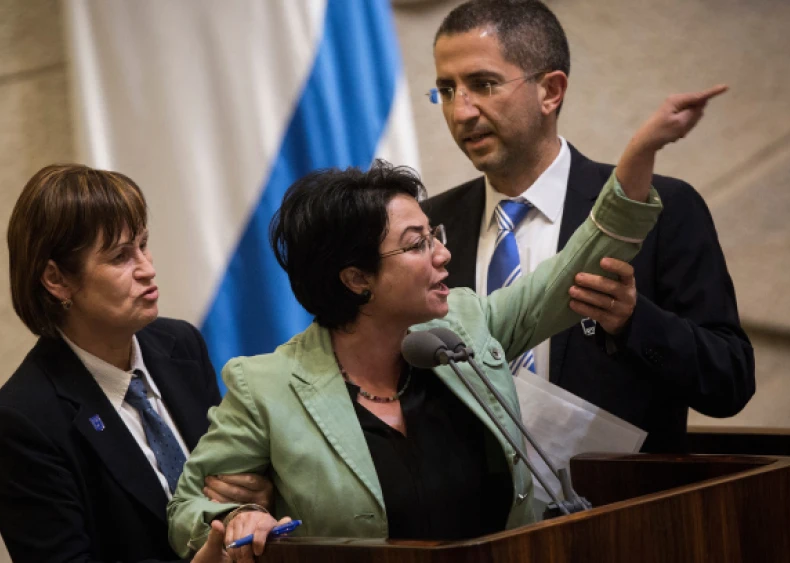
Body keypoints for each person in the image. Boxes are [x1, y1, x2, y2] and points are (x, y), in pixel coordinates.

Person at [167, 86, 725, 562]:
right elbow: (189, 507)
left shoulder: (464, 323)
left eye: (434, 235)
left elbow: (572, 272)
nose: (441, 255)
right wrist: (237, 517)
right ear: (356, 278)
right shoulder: (265, 385)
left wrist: (639, 155)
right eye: (416, 244)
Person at [422, 0, 755, 453]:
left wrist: (635, 323)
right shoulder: (428, 228)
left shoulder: (661, 209)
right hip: (480, 519)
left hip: (619, 512)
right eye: (446, 90)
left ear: (550, 91)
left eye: (482, 85)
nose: (461, 112)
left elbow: (730, 382)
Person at [0, 164, 272, 563]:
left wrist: (253, 498)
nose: (147, 268)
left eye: (143, 244)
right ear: (56, 279)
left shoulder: (180, 345)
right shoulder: (23, 422)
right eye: (120, 256)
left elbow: (228, 480)